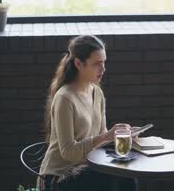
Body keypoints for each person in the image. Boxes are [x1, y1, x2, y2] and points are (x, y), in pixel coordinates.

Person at [39, 35, 134, 191]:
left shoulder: (97, 92)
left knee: (127, 174)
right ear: (78, 63)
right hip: (61, 176)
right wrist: (106, 136)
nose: (103, 69)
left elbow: (101, 136)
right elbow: (68, 152)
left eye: (104, 62)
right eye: (97, 64)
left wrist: (121, 135)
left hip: (89, 168)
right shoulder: (65, 98)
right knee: (111, 179)